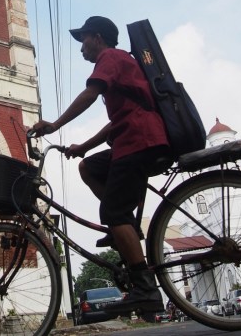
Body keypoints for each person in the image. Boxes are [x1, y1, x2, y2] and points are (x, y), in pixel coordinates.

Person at [31, 16, 171, 315]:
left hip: (139, 141)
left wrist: (54, 125)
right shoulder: (120, 62)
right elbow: (116, 122)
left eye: (83, 41)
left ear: (97, 37)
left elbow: (90, 95)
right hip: (130, 138)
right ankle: (125, 227)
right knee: (88, 167)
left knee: (113, 211)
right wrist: (83, 148)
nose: (81, 48)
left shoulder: (110, 57)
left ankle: (145, 288)